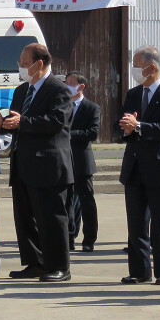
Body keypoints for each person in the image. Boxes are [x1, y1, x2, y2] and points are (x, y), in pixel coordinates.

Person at [0, 43, 74, 282]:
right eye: (20, 64)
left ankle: (59, 267)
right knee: (26, 217)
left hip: (49, 165)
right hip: (23, 163)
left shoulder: (59, 89)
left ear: (39, 64)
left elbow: (56, 121)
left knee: (52, 218)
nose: (21, 68)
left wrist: (23, 122)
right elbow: (15, 121)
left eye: (24, 64)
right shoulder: (22, 91)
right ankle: (35, 262)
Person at [119, 46, 160, 285]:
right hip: (135, 166)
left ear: (152, 67)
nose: (134, 70)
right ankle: (139, 270)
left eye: (137, 65)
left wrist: (138, 126)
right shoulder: (134, 93)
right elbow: (127, 125)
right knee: (136, 224)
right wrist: (127, 128)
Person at [66, 71, 100, 253]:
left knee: (87, 201)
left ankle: (89, 238)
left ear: (81, 86)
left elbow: (92, 133)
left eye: (71, 83)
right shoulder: (63, 105)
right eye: (66, 82)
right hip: (64, 161)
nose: (67, 86)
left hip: (82, 162)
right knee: (67, 202)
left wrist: (69, 135)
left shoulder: (91, 108)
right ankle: (69, 236)